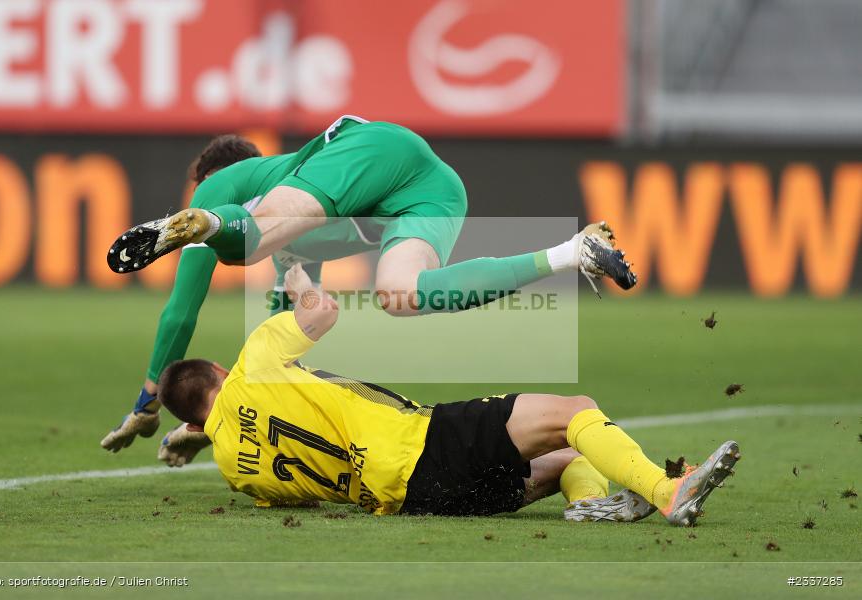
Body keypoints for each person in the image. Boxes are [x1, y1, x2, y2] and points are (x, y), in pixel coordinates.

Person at [102, 118, 638, 463]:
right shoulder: (299, 247)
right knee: (401, 295)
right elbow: (283, 341)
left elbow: (179, 315)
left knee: (248, 239)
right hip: (432, 189)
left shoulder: (223, 182)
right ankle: (572, 253)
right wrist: (219, 419)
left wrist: (149, 403)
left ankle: (209, 227)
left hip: (365, 149)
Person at [155, 264, 739, 524]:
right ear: (218, 369)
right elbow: (323, 313)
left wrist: (201, 434)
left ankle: (587, 504)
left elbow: (293, 490)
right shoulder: (255, 360)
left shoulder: (235, 465)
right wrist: (300, 287)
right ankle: (670, 491)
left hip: (414, 501)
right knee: (576, 412)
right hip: (422, 444)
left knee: (570, 459)